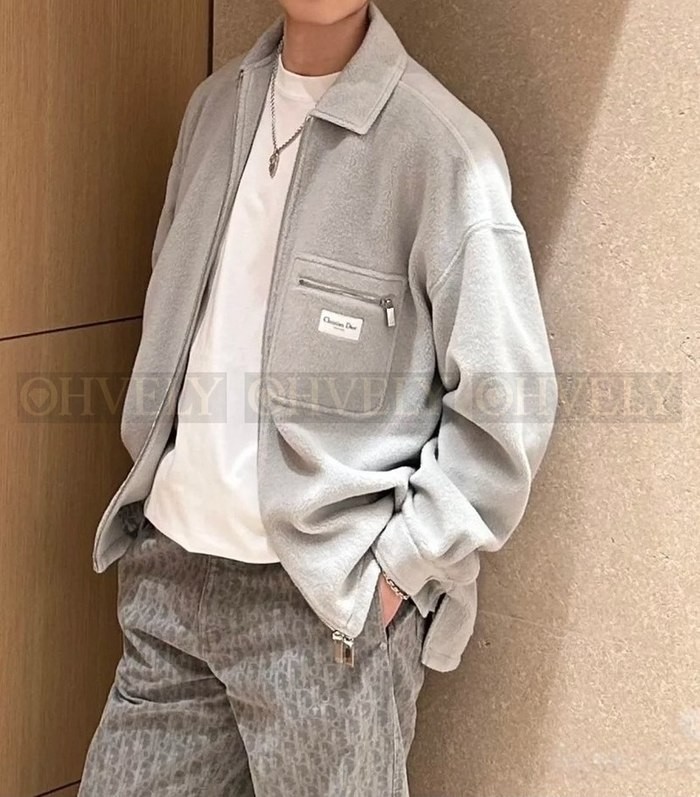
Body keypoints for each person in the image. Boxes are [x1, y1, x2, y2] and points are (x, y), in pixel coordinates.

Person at [78, 1, 558, 794]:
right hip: (171, 574)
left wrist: (396, 571)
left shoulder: (441, 147)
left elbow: (508, 405)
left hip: (324, 613)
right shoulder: (215, 109)